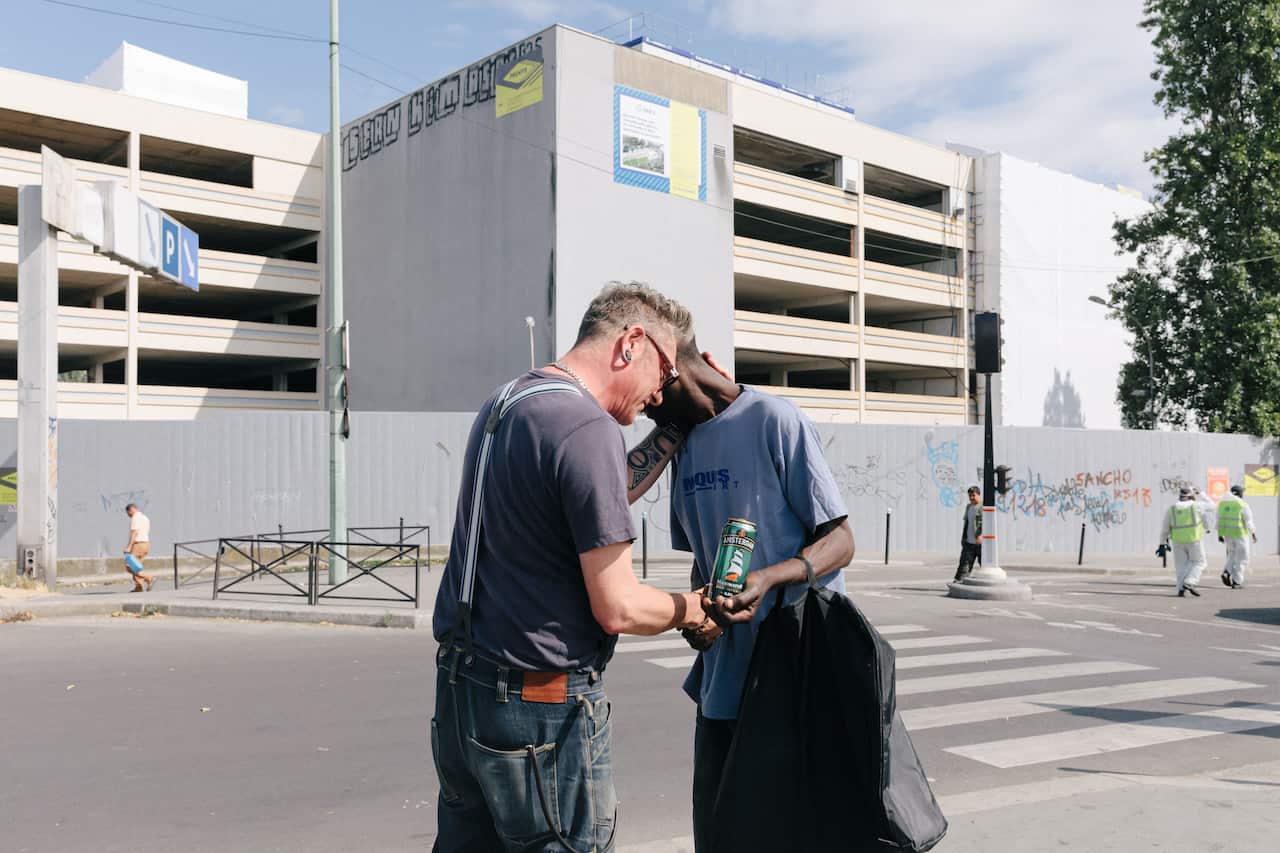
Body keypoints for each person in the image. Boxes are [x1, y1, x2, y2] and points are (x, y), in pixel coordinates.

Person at [430, 282, 707, 852]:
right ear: (632, 342)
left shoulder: (512, 401)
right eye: (664, 371)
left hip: (463, 696)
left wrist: (672, 432)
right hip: (540, 714)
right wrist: (694, 607)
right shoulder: (586, 427)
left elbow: (591, 494)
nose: (661, 393)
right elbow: (619, 607)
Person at [628, 338, 854, 853]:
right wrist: (699, 613)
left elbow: (841, 541)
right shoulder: (679, 445)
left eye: (644, 394)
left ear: (665, 371)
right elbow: (700, 556)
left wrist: (770, 578)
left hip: (794, 676)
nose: (638, 408)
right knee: (719, 835)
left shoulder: (775, 419)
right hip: (724, 685)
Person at [1160, 485, 1207, 597]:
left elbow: (1165, 528)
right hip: (1193, 540)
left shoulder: (1171, 509)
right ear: (1191, 496)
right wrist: (1201, 494)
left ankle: (1181, 588)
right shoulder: (1197, 506)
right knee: (1199, 562)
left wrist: (1162, 543)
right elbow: (1213, 506)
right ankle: (1190, 582)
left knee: (1180, 566)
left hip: (1177, 541)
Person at [1216, 484, 1256, 589]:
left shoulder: (1222, 504)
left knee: (1232, 554)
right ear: (1240, 493)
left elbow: (1218, 519)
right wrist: (1253, 533)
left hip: (1228, 534)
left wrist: (1220, 534)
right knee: (1243, 558)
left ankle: (1227, 571)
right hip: (1240, 534)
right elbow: (1248, 520)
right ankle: (1236, 581)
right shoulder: (1242, 504)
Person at [124, 503, 156, 592]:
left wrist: (129, 547)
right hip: (146, 544)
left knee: (129, 566)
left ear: (130, 510)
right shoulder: (145, 518)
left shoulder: (135, 517)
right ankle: (139, 587)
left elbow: (134, 532)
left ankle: (149, 578)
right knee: (137, 567)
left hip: (138, 544)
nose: (128, 515)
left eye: (128, 513)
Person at [953, 486, 982, 581]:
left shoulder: (983, 507)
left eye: (973, 495)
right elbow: (967, 523)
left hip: (980, 543)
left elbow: (986, 523)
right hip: (969, 542)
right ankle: (959, 581)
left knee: (985, 566)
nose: (971, 498)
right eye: (970, 496)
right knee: (964, 564)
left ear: (979, 494)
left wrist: (981, 535)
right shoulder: (969, 507)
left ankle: (989, 582)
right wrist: (964, 538)